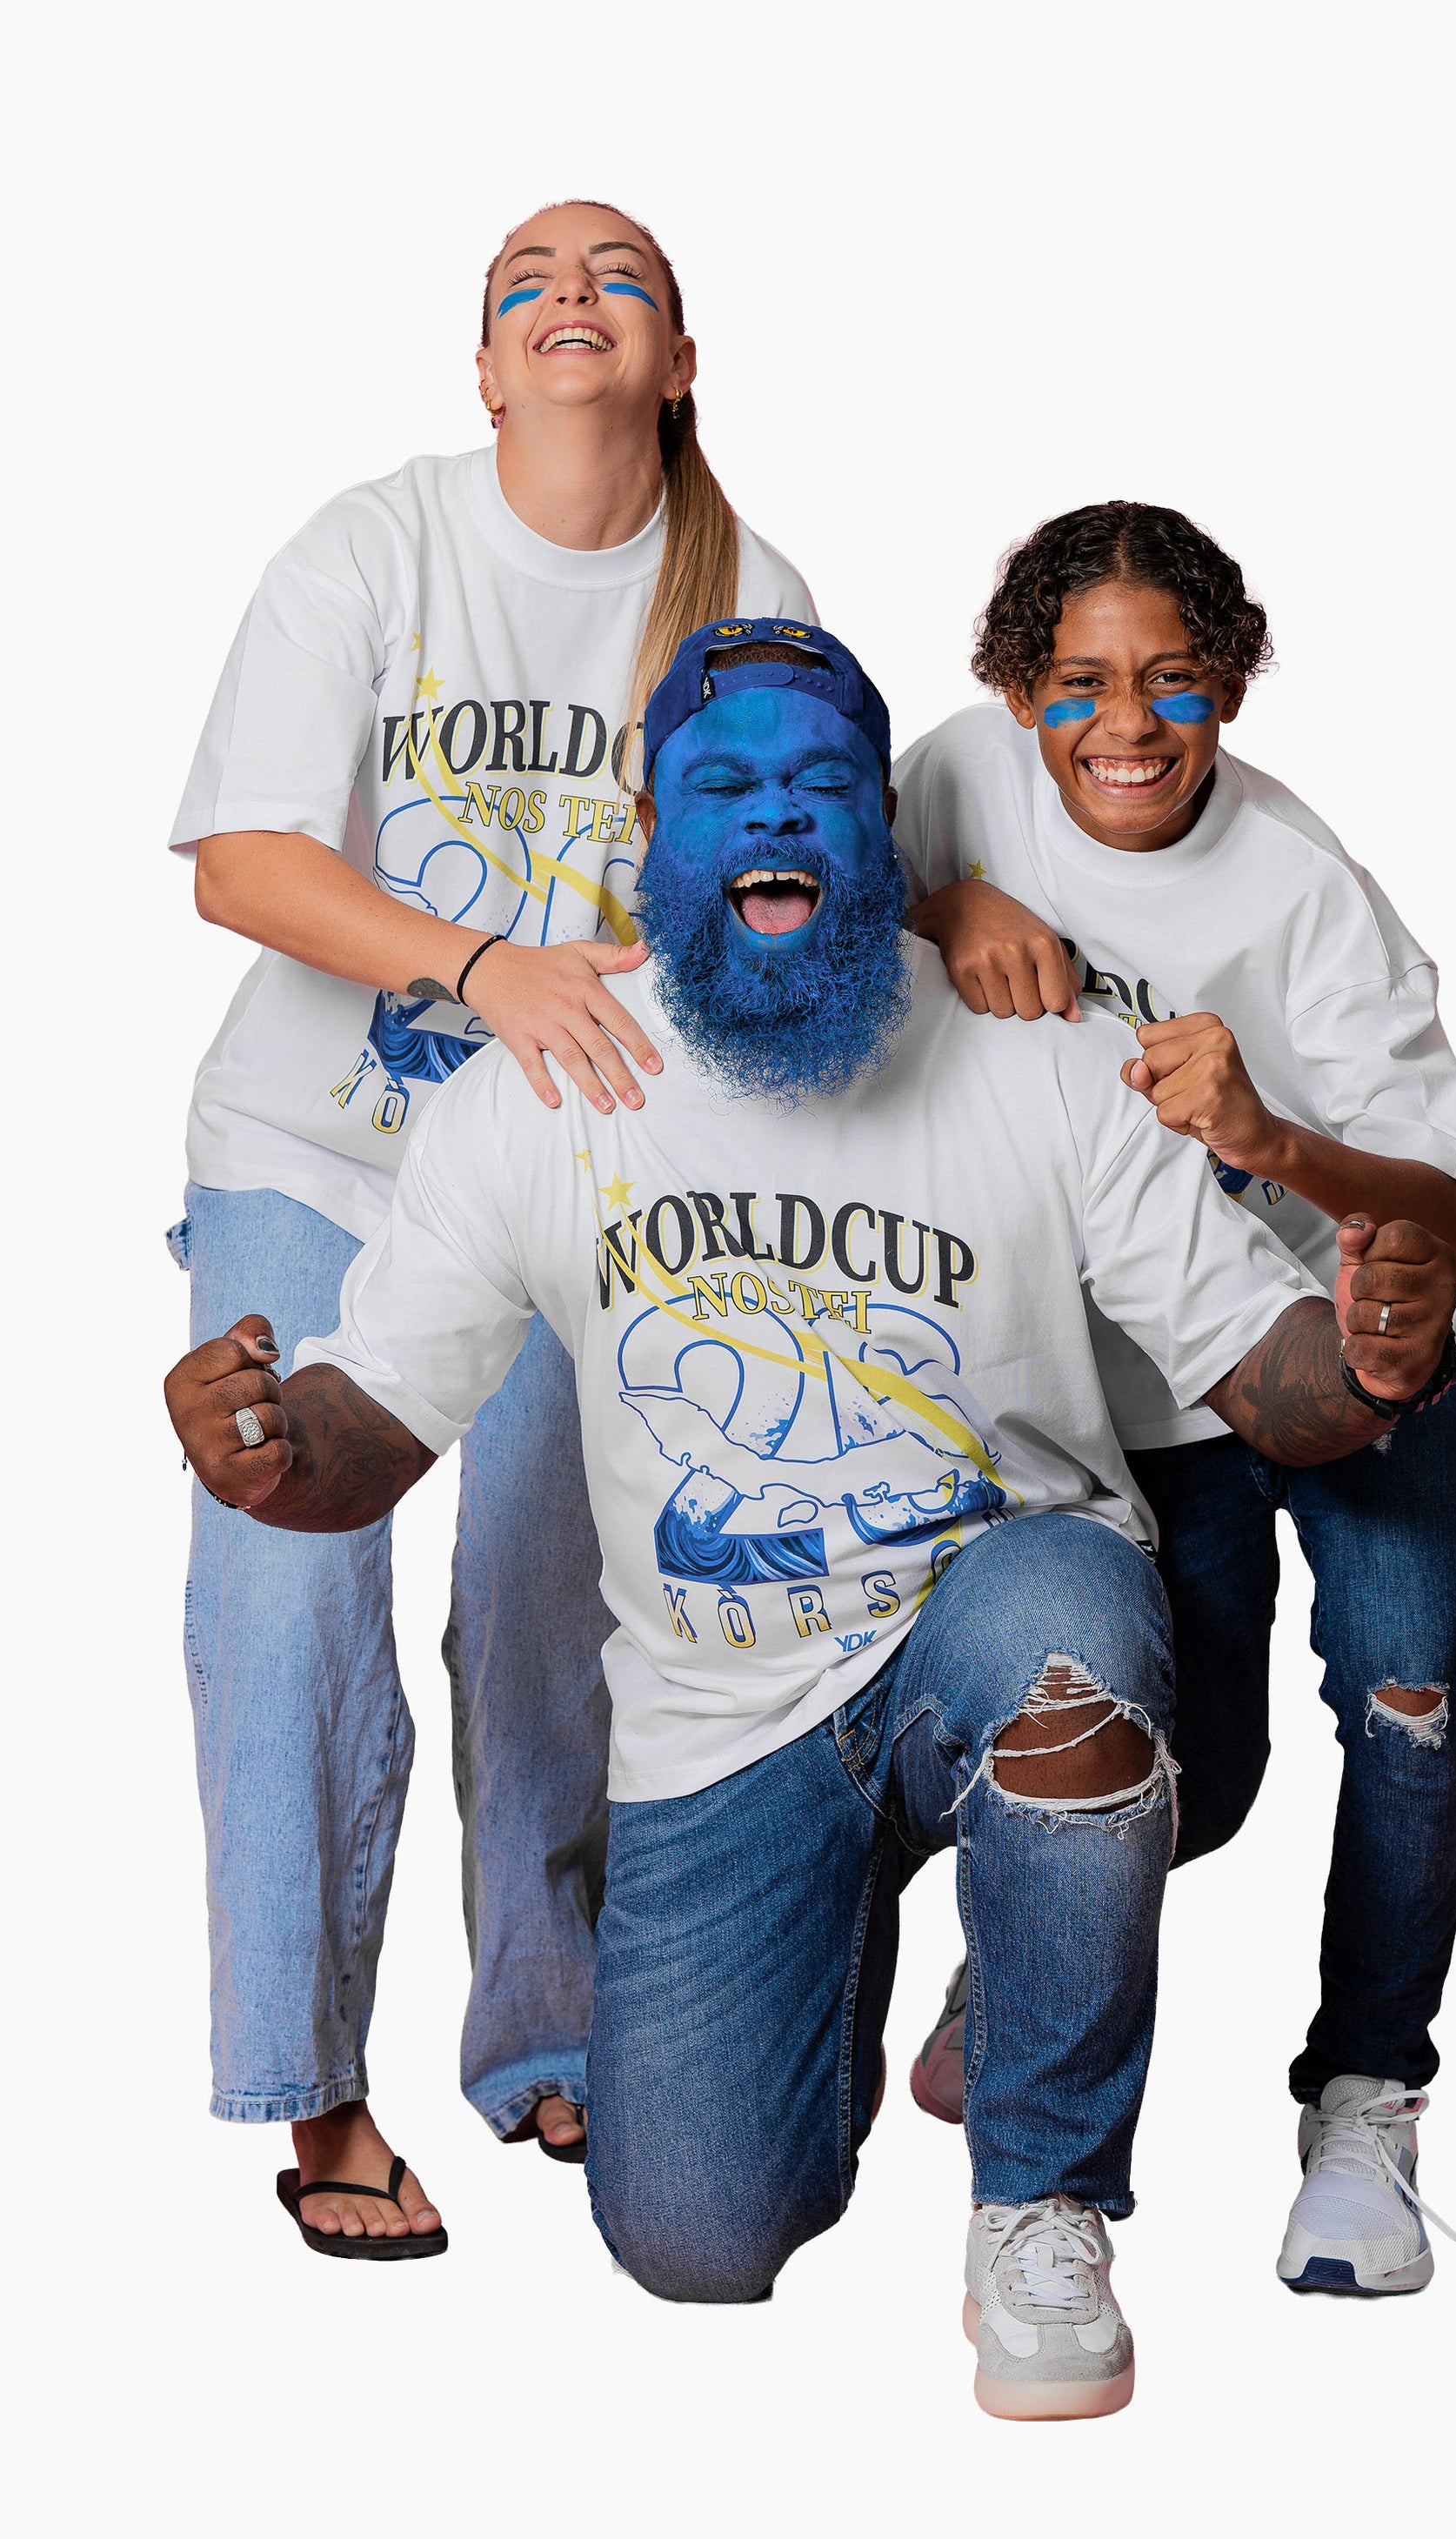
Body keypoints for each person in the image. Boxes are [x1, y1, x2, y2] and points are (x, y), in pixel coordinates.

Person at [165, 621, 1456, 2409]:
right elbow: (368, 1431)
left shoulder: (1044, 1065)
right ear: (651, 834)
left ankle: (1041, 2198)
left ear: (882, 830)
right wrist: (261, 1445)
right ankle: (828, 1951)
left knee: (1067, 1636)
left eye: (821, 783)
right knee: (695, 2238)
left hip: (994, 1615)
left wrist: (1376, 1361)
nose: (776, 811)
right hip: (725, 1721)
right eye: (723, 783)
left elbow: (1266, 1379)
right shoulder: (539, 1092)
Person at [166, 200, 813, 2254]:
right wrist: (486, 963)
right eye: (523, 279)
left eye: (616, 275)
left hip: (563, 1169)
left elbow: (788, 880)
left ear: (677, 361)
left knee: (548, 1582)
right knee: (285, 1582)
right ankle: (312, 2082)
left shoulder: (746, 594)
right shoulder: (378, 544)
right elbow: (243, 865)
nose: (566, 292)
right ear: (480, 366)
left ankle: (543, 2018)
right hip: (315, 1144)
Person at [894, 502, 1456, 2297]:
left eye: (1171, 681)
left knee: (1407, 1692)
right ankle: (1029, 1938)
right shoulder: (956, 782)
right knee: (1191, 1772)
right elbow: (805, 899)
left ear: (1226, 685)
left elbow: (1445, 1209)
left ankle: (1366, 2101)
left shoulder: (1298, 885)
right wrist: (948, 898)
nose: (1126, 724)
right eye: (1079, 684)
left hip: (1347, 1332)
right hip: (1144, 1372)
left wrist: (1265, 1137)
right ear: (1017, 690)